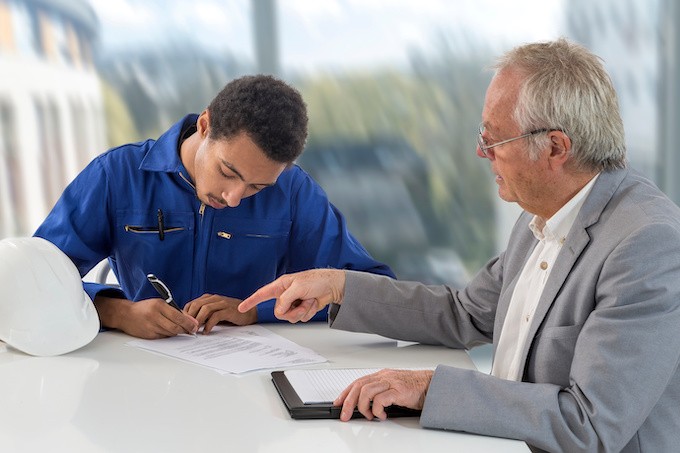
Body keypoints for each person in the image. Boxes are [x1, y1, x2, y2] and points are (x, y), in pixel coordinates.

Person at [239, 39, 680, 452]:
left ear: (555, 147)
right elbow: (464, 313)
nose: (481, 152)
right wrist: (338, 286)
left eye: (493, 139)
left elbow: (590, 425)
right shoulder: (544, 210)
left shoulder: (646, 243)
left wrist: (429, 388)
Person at [34, 74, 394, 340]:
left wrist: (257, 311)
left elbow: (374, 290)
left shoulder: (294, 191)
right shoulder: (115, 175)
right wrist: (116, 311)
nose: (234, 197)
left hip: (253, 384)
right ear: (205, 126)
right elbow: (32, 279)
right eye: (228, 171)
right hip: (140, 378)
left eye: (258, 187)